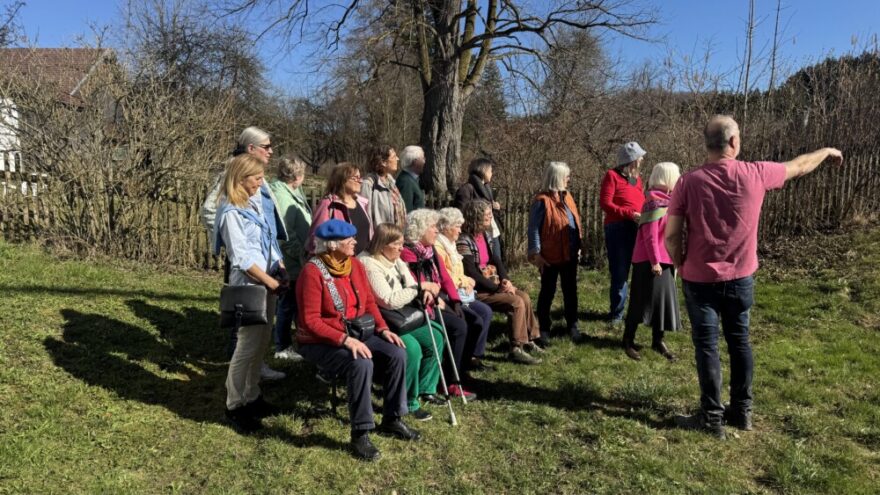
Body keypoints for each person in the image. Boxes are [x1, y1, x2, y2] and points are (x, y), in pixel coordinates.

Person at [666, 115, 843, 438]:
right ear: (734, 142)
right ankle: (742, 411)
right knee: (740, 342)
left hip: (700, 280)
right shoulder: (756, 173)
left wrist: (680, 264)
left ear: (707, 144)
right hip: (741, 278)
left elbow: (671, 236)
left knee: (707, 346)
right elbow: (799, 165)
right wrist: (827, 150)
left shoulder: (687, 182)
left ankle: (712, 418)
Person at [296, 219, 420, 461]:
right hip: (319, 340)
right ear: (331, 245)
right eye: (348, 239)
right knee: (360, 363)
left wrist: (383, 329)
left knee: (397, 353)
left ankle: (392, 418)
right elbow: (310, 321)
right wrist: (344, 340)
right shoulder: (312, 272)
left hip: (356, 332)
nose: (355, 241)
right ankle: (360, 433)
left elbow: (370, 303)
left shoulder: (354, 265)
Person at [202, 126, 288, 382]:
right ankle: (240, 378)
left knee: (260, 327)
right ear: (251, 149)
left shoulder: (256, 176)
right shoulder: (235, 173)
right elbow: (210, 211)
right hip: (248, 264)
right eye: (266, 146)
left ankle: (253, 374)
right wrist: (232, 241)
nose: (271, 151)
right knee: (246, 321)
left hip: (266, 260)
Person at [213, 154, 288, 433]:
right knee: (246, 346)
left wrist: (279, 268)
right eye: (256, 178)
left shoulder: (253, 206)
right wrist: (269, 281)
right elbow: (242, 259)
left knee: (263, 339)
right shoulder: (231, 213)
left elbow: (267, 240)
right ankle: (234, 404)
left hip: (267, 281)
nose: (261, 182)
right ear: (241, 179)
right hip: (250, 286)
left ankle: (252, 395)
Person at [360, 223, 445, 421]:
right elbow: (388, 301)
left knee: (437, 335)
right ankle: (407, 400)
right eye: (396, 244)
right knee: (412, 348)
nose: (401, 248)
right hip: (385, 318)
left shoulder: (395, 259)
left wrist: (422, 291)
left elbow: (411, 283)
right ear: (382, 245)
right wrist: (418, 289)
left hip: (404, 314)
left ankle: (426, 388)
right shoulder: (370, 264)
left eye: (401, 244)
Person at [401, 209, 479, 400]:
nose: (436, 231)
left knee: (473, 320)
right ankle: (451, 381)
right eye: (432, 227)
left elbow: (443, 277)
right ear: (419, 230)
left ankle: (460, 369)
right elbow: (414, 285)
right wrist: (437, 299)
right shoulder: (408, 253)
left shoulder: (430, 250)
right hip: (421, 306)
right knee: (458, 327)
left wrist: (456, 301)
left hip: (439, 300)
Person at [458, 199, 543, 365]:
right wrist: (498, 289)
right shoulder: (464, 241)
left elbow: (497, 260)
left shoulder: (485, 235)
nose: (490, 217)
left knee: (524, 296)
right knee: (516, 302)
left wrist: (506, 280)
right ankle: (516, 348)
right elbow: (472, 273)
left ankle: (529, 339)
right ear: (475, 218)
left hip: (494, 283)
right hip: (479, 290)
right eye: (487, 215)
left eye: (490, 214)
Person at [622, 162, 682, 362]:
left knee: (662, 303)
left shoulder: (671, 201)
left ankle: (658, 340)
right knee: (640, 302)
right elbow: (649, 236)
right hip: (648, 260)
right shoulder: (653, 202)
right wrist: (655, 261)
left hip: (666, 261)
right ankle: (628, 340)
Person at [527, 161, 584, 344]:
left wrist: (579, 244)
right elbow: (534, 229)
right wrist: (537, 254)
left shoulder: (567, 197)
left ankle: (572, 325)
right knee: (547, 291)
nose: (569, 179)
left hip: (569, 254)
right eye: (566, 176)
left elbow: (575, 222)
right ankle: (543, 328)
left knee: (570, 291)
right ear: (557, 178)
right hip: (549, 256)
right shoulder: (542, 202)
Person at [435, 207, 495, 371]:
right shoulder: (439, 247)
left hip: (463, 292)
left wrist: (466, 280)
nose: (460, 230)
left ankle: (474, 356)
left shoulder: (451, 244)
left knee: (485, 312)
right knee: (475, 317)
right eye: (457, 226)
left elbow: (458, 270)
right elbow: (445, 276)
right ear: (446, 227)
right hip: (450, 296)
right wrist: (464, 281)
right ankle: (462, 361)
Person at [268, 155, 312, 361]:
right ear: (296, 175)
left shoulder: (291, 191)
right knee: (288, 303)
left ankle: (294, 340)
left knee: (293, 302)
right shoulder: (282, 196)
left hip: (296, 259)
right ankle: (282, 346)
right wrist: (301, 254)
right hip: (291, 260)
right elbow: (285, 232)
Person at [600, 141, 646, 324]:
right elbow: (605, 203)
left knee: (639, 272)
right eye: (639, 157)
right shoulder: (612, 176)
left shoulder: (637, 180)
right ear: (632, 159)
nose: (642, 159)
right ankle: (617, 314)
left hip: (637, 227)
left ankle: (636, 313)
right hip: (618, 228)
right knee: (620, 271)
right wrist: (628, 213)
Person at [306, 163, 372, 255]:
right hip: (340, 264)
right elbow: (316, 239)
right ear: (342, 179)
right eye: (355, 178)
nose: (360, 181)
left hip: (362, 263)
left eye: (360, 178)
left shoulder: (362, 203)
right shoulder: (328, 204)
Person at [453, 157, 504, 260]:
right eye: (490, 171)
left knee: (496, 263)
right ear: (484, 170)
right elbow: (461, 214)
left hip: (492, 233)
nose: (492, 174)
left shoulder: (487, 189)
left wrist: (494, 208)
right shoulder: (466, 189)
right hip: (477, 236)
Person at [360, 145, 407, 228]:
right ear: (383, 162)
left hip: (396, 237)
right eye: (394, 157)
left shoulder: (391, 182)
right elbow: (365, 216)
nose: (397, 159)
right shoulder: (368, 184)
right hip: (381, 238)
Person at [395, 145, 426, 212]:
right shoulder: (406, 182)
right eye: (423, 158)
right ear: (415, 162)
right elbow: (406, 211)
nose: (424, 162)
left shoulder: (410, 179)